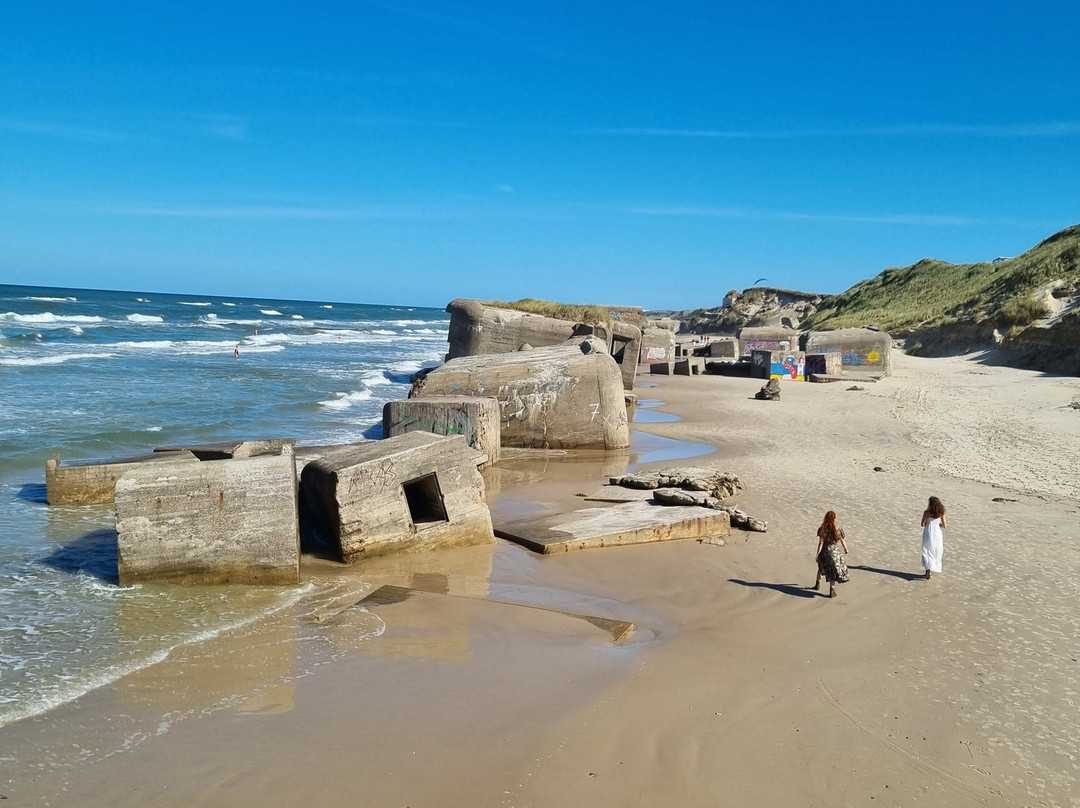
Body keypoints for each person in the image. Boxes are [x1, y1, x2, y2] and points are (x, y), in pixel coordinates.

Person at [813, 510, 849, 598]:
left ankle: (817, 584)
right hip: (835, 553)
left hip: (825, 552)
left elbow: (821, 543)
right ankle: (831, 590)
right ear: (835, 519)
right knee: (833, 572)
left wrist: (817, 554)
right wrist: (846, 549)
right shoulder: (838, 530)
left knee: (821, 569)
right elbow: (842, 541)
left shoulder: (822, 529)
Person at [921, 496, 947, 579]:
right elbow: (944, 525)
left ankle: (927, 570)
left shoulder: (927, 512)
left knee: (927, 550)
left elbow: (922, 524)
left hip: (928, 532)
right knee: (935, 550)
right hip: (937, 533)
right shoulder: (941, 513)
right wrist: (937, 524)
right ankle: (933, 567)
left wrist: (929, 524)